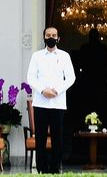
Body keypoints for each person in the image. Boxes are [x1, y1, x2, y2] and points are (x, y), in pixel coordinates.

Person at [26, 26, 76, 174]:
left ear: (58, 38)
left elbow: (71, 77)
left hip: (58, 103)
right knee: (40, 138)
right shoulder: (36, 56)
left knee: (57, 138)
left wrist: (57, 91)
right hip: (40, 103)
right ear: (44, 37)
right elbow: (30, 77)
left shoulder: (65, 56)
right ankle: (41, 168)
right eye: (48, 35)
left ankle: (55, 169)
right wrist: (43, 90)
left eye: (54, 35)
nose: (51, 37)